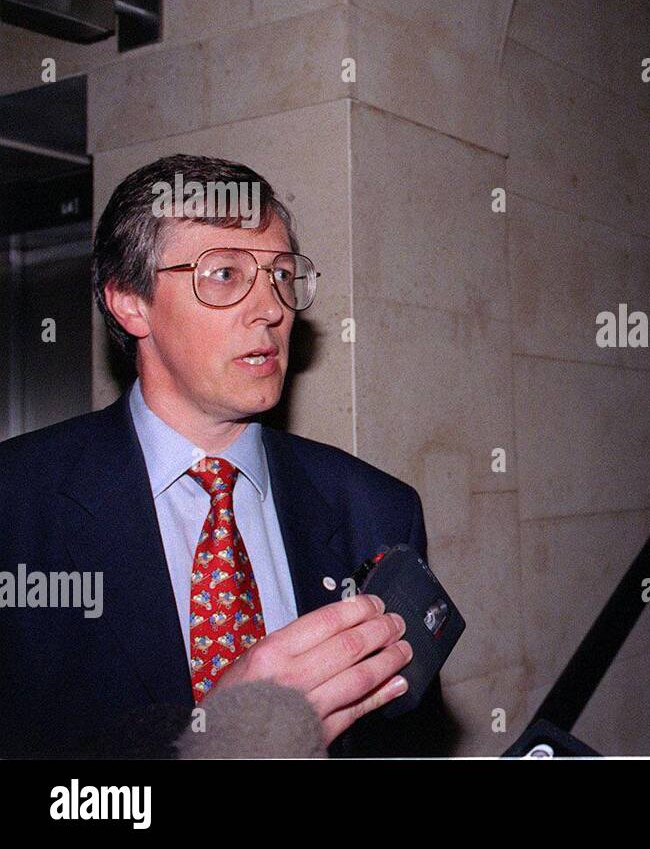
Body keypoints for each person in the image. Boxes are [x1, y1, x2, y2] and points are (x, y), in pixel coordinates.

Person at [0, 154, 442, 757]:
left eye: (281, 275)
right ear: (131, 301)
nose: (271, 309)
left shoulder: (376, 507)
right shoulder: (18, 506)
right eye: (226, 275)